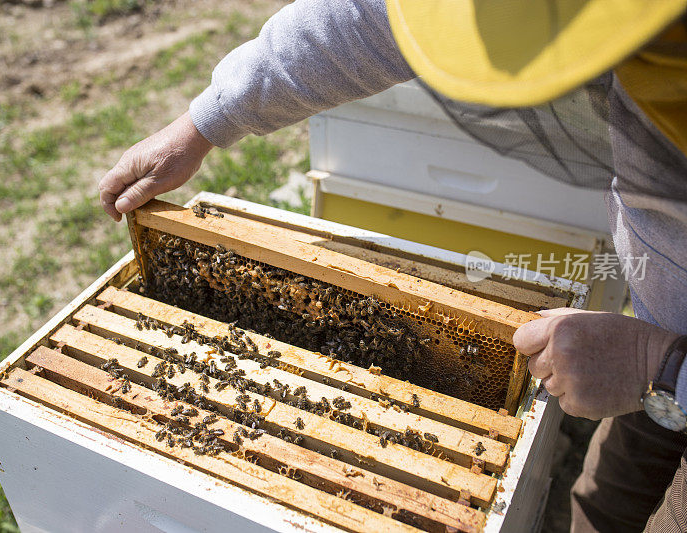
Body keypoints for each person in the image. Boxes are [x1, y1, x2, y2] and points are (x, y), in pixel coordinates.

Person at [98, 1, 687, 530]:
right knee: (603, 499)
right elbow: (366, 18)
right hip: (657, 331)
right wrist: (203, 123)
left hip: (659, 360)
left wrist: (661, 368)